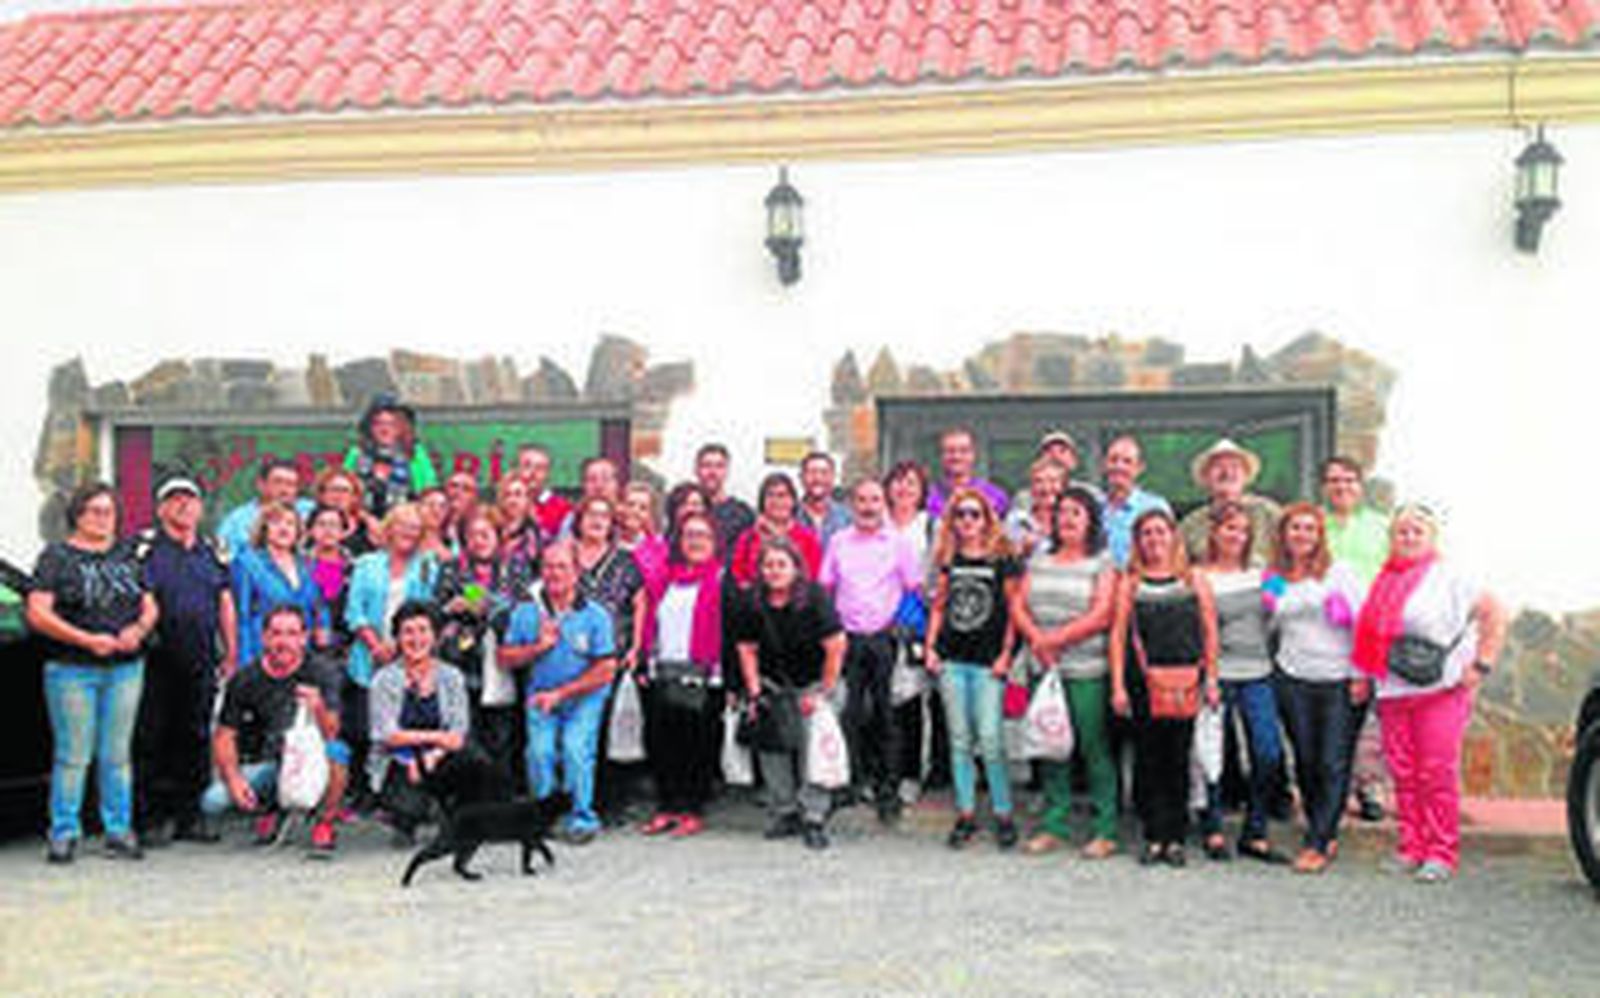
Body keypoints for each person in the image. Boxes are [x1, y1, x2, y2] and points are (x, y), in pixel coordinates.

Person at [1352, 504, 1506, 883]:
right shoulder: (1383, 579)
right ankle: (1411, 846)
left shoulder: (1451, 577)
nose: (1408, 538)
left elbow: (1494, 612)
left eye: (1416, 531)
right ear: (1392, 538)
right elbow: (1369, 634)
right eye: (1401, 531)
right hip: (1393, 689)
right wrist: (1364, 676)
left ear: (1431, 537)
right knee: (1403, 773)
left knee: (1436, 772)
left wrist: (1481, 664)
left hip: (1441, 689)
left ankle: (1441, 851)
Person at [27, 483, 160, 863]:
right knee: (73, 755)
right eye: (94, 511)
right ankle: (64, 833)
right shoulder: (56, 557)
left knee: (117, 755)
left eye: (109, 512)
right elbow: (38, 613)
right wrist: (85, 640)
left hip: (125, 669)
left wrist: (138, 630)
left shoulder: (128, 555)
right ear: (77, 515)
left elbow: (150, 605)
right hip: (72, 670)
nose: (103, 519)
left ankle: (118, 830)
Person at [1011, 487, 1119, 859]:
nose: (1068, 519)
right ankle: (1053, 825)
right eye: (1063, 512)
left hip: (1086, 669)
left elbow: (1102, 614)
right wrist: (1037, 639)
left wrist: (1055, 639)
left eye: (1077, 512)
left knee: (1093, 747)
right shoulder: (1039, 560)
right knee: (1051, 744)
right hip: (1044, 669)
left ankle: (1106, 828)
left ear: (1091, 521)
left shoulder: (1102, 563)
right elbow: (1019, 605)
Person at [1109, 508, 1219, 867]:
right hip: (1143, 682)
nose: (1154, 539)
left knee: (1179, 758)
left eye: (1160, 531)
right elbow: (1117, 636)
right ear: (1137, 541)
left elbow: (1209, 631)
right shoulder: (1131, 583)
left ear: (1173, 536)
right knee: (1148, 758)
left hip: (1186, 679)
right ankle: (1154, 834)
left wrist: (1212, 678)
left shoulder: (1194, 578)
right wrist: (1117, 685)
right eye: (1147, 533)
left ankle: (1176, 837)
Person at [132, 476, 236, 845]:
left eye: (190, 499)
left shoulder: (212, 550)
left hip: (202, 657)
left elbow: (225, 602)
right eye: (174, 499)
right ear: (161, 508)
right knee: (152, 737)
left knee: (195, 737)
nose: (183, 506)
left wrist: (231, 651)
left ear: (200, 508)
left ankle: (189, 817)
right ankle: (150, 818)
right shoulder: (145, 549)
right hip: (157, 659)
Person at [1263, 503, 1365, 874]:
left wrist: (1360, 674)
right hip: (1293, 676)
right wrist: (1269, 605)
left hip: (1338, 678)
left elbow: (1363, 623)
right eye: (1295, 528)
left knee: (1332, 760)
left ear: (1320, 535)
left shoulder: (1340, 573)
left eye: (1309, 528)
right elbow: (1270, 622)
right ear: (1283, 534)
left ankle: (1318, 842)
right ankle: (1323, 823)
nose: (1302, 534)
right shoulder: (1275, 576)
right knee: (1305, 759)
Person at [201, 605, 348, 855]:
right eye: (276, 633)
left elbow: (332, 732)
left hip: (313, 759)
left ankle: (325, 821)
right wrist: (234, 779)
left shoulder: (323, 671)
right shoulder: (245, 678)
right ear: (264, 638)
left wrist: (319, 708)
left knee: (338, 752)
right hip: (270, 761)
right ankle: (272, 809)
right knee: (213, 801)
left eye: (292, 634)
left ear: (304, 638)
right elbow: (224, 735)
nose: (283, 642)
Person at [818, 478, 924, 824]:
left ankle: (887, 790)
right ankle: (848, 783)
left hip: (884, 640)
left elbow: (914, 588)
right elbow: (825, 587)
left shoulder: (899, 543)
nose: (868, 506)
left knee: (886, 716)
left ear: (884, 504)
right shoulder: (838, 541)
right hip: (847, 639)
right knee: (848, 713)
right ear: (851, 505)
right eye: (861, 500)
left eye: (875, 500)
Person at [500, 542, 619, 842]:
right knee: (539, 753)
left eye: (562, 566)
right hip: (541, 695)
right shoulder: (526, 612)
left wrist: (562, 694)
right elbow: (506, 657)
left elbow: (606, 669)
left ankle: (581, 818)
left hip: (584, 696)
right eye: (548, 566)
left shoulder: (596, 615)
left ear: (577, 572)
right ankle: (544, 817)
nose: (554, 573)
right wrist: (538, 647)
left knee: (575, 749)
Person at [735, 537, 847, 850]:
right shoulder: (752, 602)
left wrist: (822, 693)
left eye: (781, 564)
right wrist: (755, 692)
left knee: (815, 749)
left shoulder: (815, 597)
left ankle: (814, 816)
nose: (774, 571)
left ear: (796, 568)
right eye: (768, 565)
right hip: (773, 684)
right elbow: (746, 648)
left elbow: (836, 646)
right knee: (772, 747)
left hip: (815, 682)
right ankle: (784, 811)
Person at [925, 488, 1021, 849]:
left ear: (987, 519)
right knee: (960, 740)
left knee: (991, 739)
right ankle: (965, 812)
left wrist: (1007, 654)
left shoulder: (1003, 558)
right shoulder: (948, 557)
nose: (967, 521)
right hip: (953, 659)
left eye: (974, 514)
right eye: (960, 514)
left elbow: (1014, 611)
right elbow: (939, 606)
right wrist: (931, 647)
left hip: (988, 662)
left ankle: (1003, 811)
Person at [1196, 501, 1287, 864]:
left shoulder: (1262, 572)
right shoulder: (1200, 575)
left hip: (1259, 672)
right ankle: (1213, 827)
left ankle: (1256, 830)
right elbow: (1205, 631)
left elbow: (1280, 616)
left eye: (1243, 530)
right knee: (1213, 754)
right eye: (1230, 528)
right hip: (1219, 673)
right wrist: (1210, 676)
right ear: (1214, 532)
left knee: (1268, 752)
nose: (1237, 535)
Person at [636, 513, 726, 837]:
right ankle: (666, 806)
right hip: (664, 670)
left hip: (705, 675)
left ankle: (691, 808)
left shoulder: (722, 579)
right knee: (661, 742)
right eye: (689, 535)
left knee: (697, 745)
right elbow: (650, 622)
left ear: (714, 542)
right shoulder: (665, 579)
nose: (695, 541)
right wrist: (645, 660)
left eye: (703, 535)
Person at [369, 601, 491, 840]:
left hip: (440, 756)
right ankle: (405, 818)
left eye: (423, 630)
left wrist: (432, 756)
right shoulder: (384, 679)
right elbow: (388, 735)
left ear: (435, 636)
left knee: (476, 759)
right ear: (397, 638)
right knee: (407, 806)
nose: (416, 639)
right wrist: (429, 745)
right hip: (400, 761)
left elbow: (458, 735)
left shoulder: (451, 676)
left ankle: (459, 817)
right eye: (408, 632)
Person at [344, 502, 438, 807]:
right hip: (366, 658)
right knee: (364, 726)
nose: (408, 532)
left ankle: (393, 793)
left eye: (415, 528)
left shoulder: (427, 566)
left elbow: (426, 613)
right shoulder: (366, 564)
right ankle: (363, 790)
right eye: (402, 525)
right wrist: (375, 646)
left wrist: (398, 647)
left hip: (408, 658)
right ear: (389, 528)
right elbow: (354, 611)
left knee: (398, 725)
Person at [1322, 455, 1392, 822]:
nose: (1342, 486)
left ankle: (1371, 787)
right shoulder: (1314, 524)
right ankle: (1335, 787)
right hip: (1327, 631)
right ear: (1324, 487)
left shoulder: (1383, 527)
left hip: (1376, 629)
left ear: (1360, 486)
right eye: (1334, 480)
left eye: (1348, 480)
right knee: (1335, 713)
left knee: (1374, 716)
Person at [434, 509, 521, 786]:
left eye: (485, 534)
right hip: (462, 660)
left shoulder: (513, 567)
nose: (479, 541)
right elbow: (439, 608)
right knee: (465, 731)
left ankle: (501, 792)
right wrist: (452, 607)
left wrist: (486, 605)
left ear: (498, 536)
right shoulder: (451, 568)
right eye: (472, 535)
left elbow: (521, 607)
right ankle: (470, 793)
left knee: (501, 733)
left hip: (502, 661)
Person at [884, 459, 945, 797]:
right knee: (882, 703)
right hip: (877, 624)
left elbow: (939, 577)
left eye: (911, 482)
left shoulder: (932, 526)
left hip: (917, 627)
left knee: (914, 701)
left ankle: (912, 773)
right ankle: (882, 773)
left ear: (922, 491)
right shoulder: (876, 523)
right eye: (897, 481)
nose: (903, 488)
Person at [231, 501, 324, 669]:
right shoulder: (247, 562)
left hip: (302, 655)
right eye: (276, 522)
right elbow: (242, 617)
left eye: (290, 523)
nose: (284, 528)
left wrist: (324, 627)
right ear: (264, 528)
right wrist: (245, 664)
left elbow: (319, 604)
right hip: (262, 655)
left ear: (298, 531)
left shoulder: (309, 564)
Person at [1179, 438, 1282, 568]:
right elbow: (1178, 567)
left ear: (1246, 475)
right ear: (1205, 477)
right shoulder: (1190, 525)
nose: (1227, 473)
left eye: (1235, 466)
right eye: (1218, 466)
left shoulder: (1269, 513)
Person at [344, 393, 438, 521]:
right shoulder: (357, 453)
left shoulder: (414, 453)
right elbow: (345, 493)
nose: (385, 429)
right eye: (378, 423)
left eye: (392, 424)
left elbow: (427, 492)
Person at [730, 472, 823, 587]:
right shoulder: (748, 537)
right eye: (770, 495)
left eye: (782, 495)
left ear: (793, 501)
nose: (776, 501)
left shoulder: (808, 538)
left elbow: (812, 577)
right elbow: (738, 575)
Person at [217, 458, 312, 560]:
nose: (284, 490)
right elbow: (222, 557)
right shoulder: (236, 521)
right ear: (261, 485)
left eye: (290, 484)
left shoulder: (310, 512)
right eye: (278, 482)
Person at [1099, 435, 1172, 568]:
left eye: (1127, 461)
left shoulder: (1154, 507)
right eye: (1113, 460)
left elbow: (1169, 555)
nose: (1119, 466)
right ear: (1104, 464)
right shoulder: (1093, 506)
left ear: (1139, 468)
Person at [926, 427, 1009, 519]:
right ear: (940, 456)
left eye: (964, 451)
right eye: (950, 451)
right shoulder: (928, 497)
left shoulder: (994, 497)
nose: (957, 456)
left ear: (974, 455)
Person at [304, 504, 354, 657]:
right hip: (305, 644)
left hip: (346, 648)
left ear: (343, 532)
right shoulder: (299, 566)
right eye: (321, 524)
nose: (328, 530)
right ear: (310, 531)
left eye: (334, 525)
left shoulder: (355, 568)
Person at [695, 442, 755, 552]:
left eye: (719, 466)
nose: (712, 472)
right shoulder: (687, 509)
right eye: (706, 465)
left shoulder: (743, 514)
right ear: (696, 470)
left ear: (726, 471)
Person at [1003, 457, 1068, 558]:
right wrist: (1024, 549)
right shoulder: (1017, 519)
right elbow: (1006, 556)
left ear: (1063, 485)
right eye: (1039, 481)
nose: (1046, 488)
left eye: (1053, 481)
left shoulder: (1075, 518)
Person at [493, 471, 542, 593]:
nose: (512, 500)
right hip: (485, 599)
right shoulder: (488, 532)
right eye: (507, 495)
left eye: (518, 494)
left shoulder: (538, 537)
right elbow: (468, 576)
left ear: (527, 499)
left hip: (525, 601)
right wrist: (475, 597)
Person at [618, 480, 668, 594]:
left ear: (650, 514)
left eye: (643, 508)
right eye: (630, 504)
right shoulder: (607, 539)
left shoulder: (659, 549)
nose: (635, 511)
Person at [796, 451, 853, 551]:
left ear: (833, 477)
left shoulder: (847, 518)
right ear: (801, 477)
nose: (818, 478)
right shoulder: (791, 516)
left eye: (824, 473)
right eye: (812, 472)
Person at [313, 467, 375, 556]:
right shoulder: (309, 523)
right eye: (334, 489)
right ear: (322, 495)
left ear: (355, 497)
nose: (338, 495)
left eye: (345, 490)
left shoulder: (366, 526)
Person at [517, 444, 572, 540]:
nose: (532, 472)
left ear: (548, 474)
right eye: (527, 466)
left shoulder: (562, 509)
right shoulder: (505, 504)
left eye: (539, 468)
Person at [417, 485, 453, 560]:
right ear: (419, 507)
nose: (436, 510)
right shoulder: (404, 540)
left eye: (442, 506)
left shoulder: (452, 549)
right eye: (431, 504)